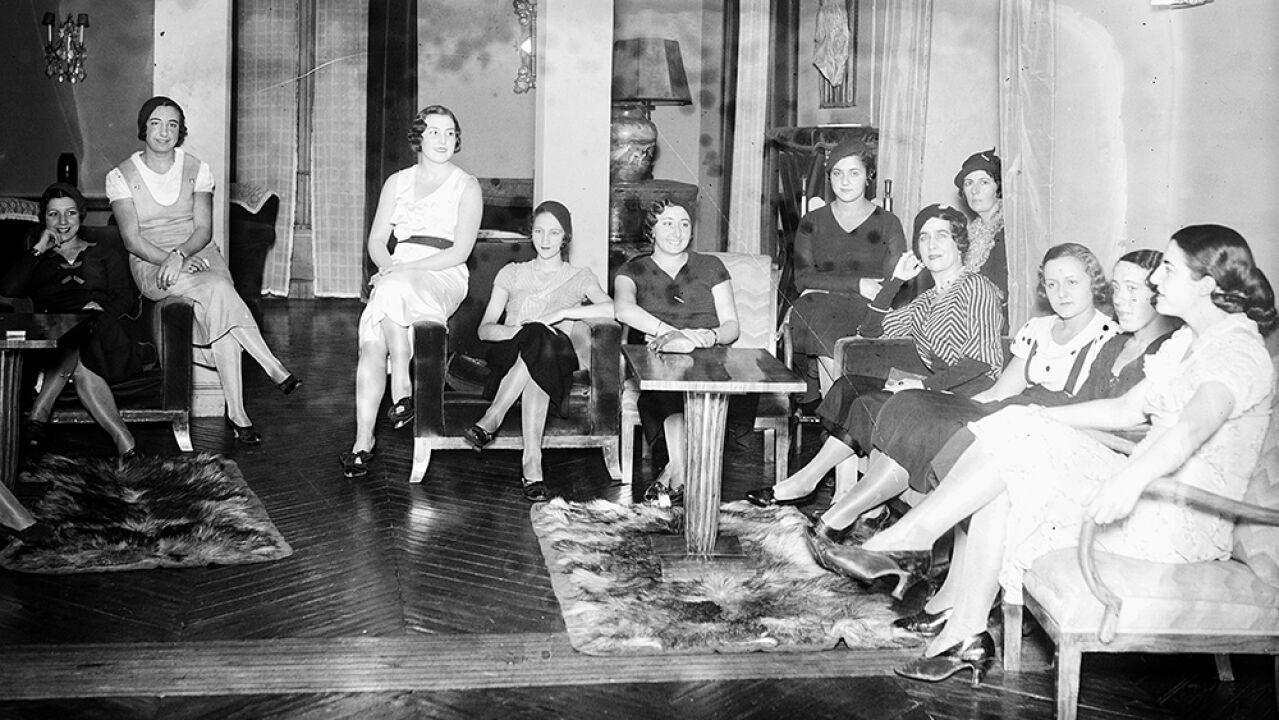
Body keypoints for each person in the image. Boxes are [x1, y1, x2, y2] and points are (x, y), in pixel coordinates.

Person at [818, 225, 1276, 687]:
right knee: (1012, 451)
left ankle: (913, 541)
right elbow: (1125, 408)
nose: (1157, 280)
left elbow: (1191, 429)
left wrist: (1130, 481)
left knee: (1016, 445)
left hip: (1177, 517)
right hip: (1149, 487)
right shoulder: (1188, 342)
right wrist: (1040, 414)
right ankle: (964, 631)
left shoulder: (1237, 350)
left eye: (1169, 270)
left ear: (1206, 284)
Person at [810, 250, 1179, 634]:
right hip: (1053, 427)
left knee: (987, 450)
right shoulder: (1119, 344)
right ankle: (944, 595)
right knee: (963, 435)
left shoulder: (1156, 349)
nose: (1121, 299)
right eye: (1117, 288)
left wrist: (1039, 418)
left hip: (1095, 456)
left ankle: (930, 573)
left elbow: (1127, 423)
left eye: (1133, 289)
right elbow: (1030, 395)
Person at [801, 247, 1148, 544]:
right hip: (1007, 407)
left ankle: (842, 518)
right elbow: (1001, 391)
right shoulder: (1039, 328)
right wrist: (952, 404)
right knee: (913, 404)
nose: (1062, 292)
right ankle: (848, 514)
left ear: (1094, 283)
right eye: (1052, 283)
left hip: (1041, 424)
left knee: (934, 420)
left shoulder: (1108, 336)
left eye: (1072, 282)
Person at [745, 204, 1005, 507]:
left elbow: (981, 362)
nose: (931, 245)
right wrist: (895, 281)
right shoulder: (927, 301)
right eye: (924, 238)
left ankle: (805, 482)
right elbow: (870, 331)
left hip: (970, 392)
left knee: (870, 401)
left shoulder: (976, 286)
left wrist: (922, 385)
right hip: (937, 387)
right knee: (849, 387)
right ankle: (834, 490)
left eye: (941, 236)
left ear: (959, 243)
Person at [108, 96, 300, 447]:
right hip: (152, 263)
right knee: (220, 292)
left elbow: (203, 230)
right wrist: (171, 260)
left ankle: (238, 413)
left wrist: (181, 254)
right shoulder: (121, 176)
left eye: (172, 124)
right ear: (143, 128)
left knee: (219, 298)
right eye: (155, 123)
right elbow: (132, 240)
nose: (164, 132)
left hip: (199, 253)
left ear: (180, 131)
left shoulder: (198, 169)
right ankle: (270, 366)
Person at [340, 105, 481, 478]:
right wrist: (389, 266)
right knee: (372, 342)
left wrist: (399, 271)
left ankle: (401, 375)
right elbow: (376, 241)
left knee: (388, 294)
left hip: (442, 272)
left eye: (450, 133)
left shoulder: (466, 186)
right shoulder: (397, 182)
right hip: (398, 269)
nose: (443, 140)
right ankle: (363, 440)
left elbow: (460, 252)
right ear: (418, 137)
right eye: (434, 132)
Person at [465, 201, 613, 501]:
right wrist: (523, 332)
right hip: (510, 354)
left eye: (554, 233)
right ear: (531, 233)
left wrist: (562, 314)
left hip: (556, 356)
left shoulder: (580, 276)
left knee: (543, 345)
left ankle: (493, 418)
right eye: (539, 231)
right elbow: (485, 329)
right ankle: (531, 462)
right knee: (536, 339)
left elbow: (612, 308)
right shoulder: (511, 273)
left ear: (565, 237)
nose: (545, 240)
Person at [1, 183, 152, 459]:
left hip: (106, 333)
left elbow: (125, 298)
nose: (63, 222)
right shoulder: (38, 259)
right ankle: (126, 445)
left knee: (80, 331)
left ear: (81, 215)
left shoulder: (105, 252)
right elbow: (9, 289)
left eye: (70, 213)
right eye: (53, 214)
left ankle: (39, 415)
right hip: (56, 338)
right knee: (75, 344)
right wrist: (39, 249)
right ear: (43, 219)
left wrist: (100, 308)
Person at [614, 200, 741, 504]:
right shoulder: (632, 269)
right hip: (660, 360)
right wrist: (671, 335)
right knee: (669, 390)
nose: (677, 231)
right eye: (667, 223)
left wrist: (707, 337)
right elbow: (623, 310)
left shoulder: (711, 266)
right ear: (652, 231)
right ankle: (682, 478)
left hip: (711, 360)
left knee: (694, 391)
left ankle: (674, 475)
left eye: (684, 224)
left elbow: (732, 326)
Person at [786, 139, 907, 403]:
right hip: (819, 305)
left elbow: (895, 279)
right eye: (837, 173)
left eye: (854, 173)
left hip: (870, 308)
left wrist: (866, 290)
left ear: (868, 176)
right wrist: (858, 283)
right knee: (824, 317)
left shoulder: (888, 223)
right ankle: (840, 412)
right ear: (829, 178)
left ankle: (837, 414)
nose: (845, 181)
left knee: (833, 325)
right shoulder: (812, 221)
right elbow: (802, 279)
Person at [954, 148, 1007, 298]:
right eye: (969, 183)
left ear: (998, 187)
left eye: (984, 182)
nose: (975, 190)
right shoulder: (969, 235)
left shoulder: (1009, 231)